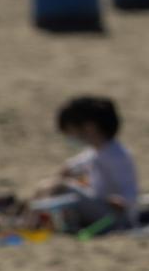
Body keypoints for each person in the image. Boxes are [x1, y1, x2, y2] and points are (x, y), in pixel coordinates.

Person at [32, 96, 141, 232]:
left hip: (117, 217)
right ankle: (31, 220)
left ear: (90, 127)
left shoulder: (116, 155)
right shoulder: (94, 153)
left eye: (71, 131)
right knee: (47, 185)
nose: (71, 137)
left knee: (60, 187)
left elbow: (130, 195)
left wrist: (121, 201)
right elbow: (67, 169)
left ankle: (32, 222)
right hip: (100, 209)